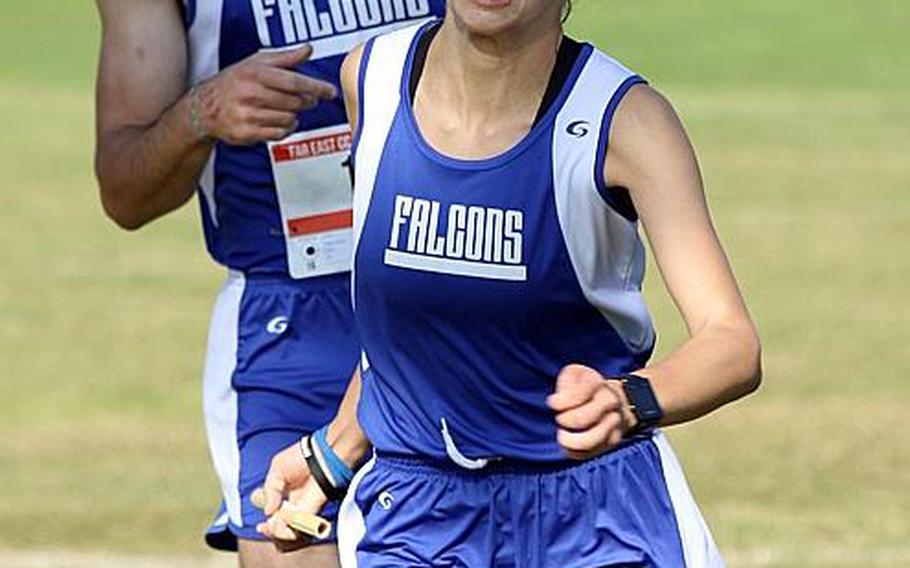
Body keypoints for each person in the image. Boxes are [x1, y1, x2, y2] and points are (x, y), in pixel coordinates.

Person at [260, 0, 763, 565]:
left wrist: (629, 401)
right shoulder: (371, 80)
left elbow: (731, 341)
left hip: (598, 515)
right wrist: (334, 454)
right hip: (417, 518)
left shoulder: (625, 121)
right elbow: (404, 336)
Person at [93, 0, 446, 565]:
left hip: (461, 295)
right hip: (289, 324)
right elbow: (125, 190)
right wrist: (201, 113)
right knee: (290, 544)